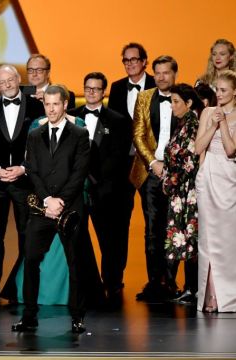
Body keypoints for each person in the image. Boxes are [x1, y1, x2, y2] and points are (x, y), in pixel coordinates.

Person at [12, 85, 89, 334]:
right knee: (31, 260)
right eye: (48, 104)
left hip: (70, 209)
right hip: (42, 209)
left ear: (65, 104)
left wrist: (61, 201)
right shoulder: (35, 135)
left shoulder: (79, 134)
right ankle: (30, 316)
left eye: (56, 104)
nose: (52, 109)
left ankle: (78, 316)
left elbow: (79, 173)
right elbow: (32, 170)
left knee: (76, 263)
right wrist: (47, 199)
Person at [0, 64, 44, 308]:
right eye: (1, 82)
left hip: (24, 181)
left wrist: (23, 168)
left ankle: (25, 286)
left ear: (19, 80)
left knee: (28, 236)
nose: (6, 85)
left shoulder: (37, 106)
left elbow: (40, 146)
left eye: (10, 80)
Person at [68, 72, 131, 306]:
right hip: (77, 191)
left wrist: (98, 181)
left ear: (104, 92)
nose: (92, 92)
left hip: (106, 190)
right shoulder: (71, 117)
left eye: (96, 89)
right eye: (88, 88)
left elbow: (119, 156)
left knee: (109, 241)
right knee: (78, 239)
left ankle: (112, 284)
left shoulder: (119, 120)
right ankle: (85, 284)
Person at [107, 43, 156, 296]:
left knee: (153, 223)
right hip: (123, 166)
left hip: (149, 164)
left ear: (145, 61)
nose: (130, 64)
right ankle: (114, 280)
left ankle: (156, 282)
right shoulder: (116, 88)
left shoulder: (156, 86)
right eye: (125, 60)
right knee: (118, 223)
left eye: (134, 59)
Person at [130, 55, 180, 302]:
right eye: (157, 72)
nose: (161, 77)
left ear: (174, 74)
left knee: (174, 229)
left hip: (178, 175)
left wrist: (173, 167)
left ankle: (170, 283)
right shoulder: (144, 97)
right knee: (152, 229)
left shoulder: (184, 97)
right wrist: (153, 163)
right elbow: (138, 135)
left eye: (166, 73)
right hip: (150, 172)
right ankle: (154, 283)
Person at [195, 70, 236, 313]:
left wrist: (223, 123)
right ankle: (209, 296)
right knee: (208, 239)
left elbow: (231, 150)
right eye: (216, 89)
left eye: (222, 90)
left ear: (234, 92)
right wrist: (212, 123)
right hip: (208, 174)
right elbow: (199, 146)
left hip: (229, 177)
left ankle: (228, 296)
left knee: (228, 238)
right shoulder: (208, 112)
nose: (218, 94)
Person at [162, 84, 204, 306]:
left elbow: (190, 162)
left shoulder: (193, 126)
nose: (172, 106)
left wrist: (169, 182)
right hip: (179, 193)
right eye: (171, 101)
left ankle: (193, 288)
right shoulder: (182, 125)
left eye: (176, 101)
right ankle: (188, 287)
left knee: (191, 239)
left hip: (189, 193)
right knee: (185, 240)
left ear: (188, 104)